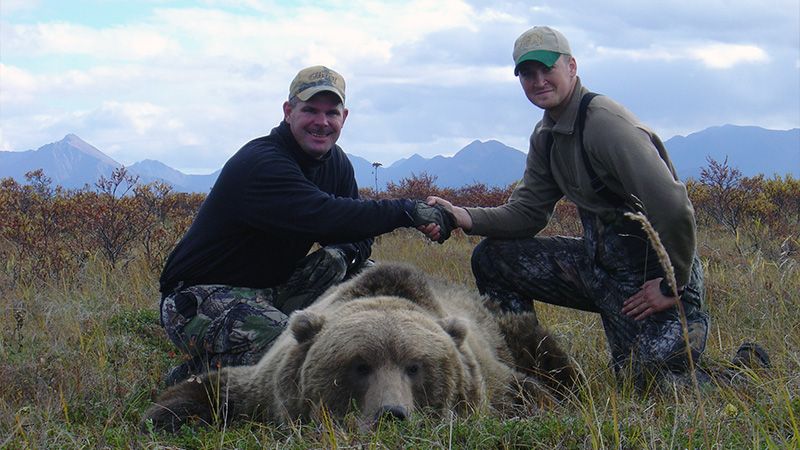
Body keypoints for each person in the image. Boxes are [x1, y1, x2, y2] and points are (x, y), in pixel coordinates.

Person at [422, 26, 712, 388]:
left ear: (572, 67)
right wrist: (464, 216)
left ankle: (744, 366)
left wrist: (673, 284)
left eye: (548, 69)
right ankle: (531, 373)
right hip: (599, 269)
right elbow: (527, 214)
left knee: (650, 383)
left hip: (651, 278)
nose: (538, 80)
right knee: (493, 258)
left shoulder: (606, 124)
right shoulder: (547, 135)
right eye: (528, 73)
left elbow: (673, 207)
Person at [159, 65, 454, 385]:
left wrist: (343, 254)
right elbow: (325, 215)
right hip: (200, 297)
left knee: (367, 272)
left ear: (345, 117)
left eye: (332, 113)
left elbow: (355, 233)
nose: (322, 122)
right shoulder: (262, 163)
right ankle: (193, 376)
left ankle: (398, 351)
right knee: (295, 353)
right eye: (310, 110)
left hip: (273, 288)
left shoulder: (336, 162)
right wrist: (407, 211)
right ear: (288, 112)